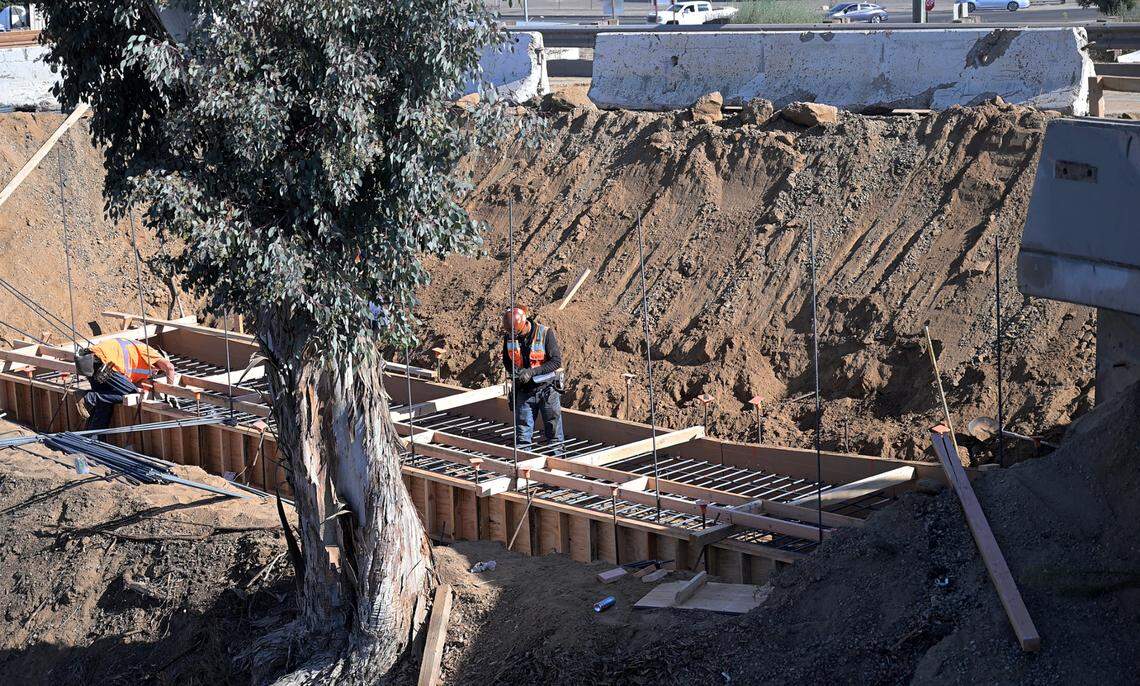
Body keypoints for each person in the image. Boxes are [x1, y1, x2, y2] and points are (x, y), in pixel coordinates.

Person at [73, 337, 177, 430]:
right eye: (160, 370)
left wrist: (144, 386)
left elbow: (126, 383)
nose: (157, 372)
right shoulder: (152, 353)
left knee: (105, 402)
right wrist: (171, 394)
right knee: (133, 394)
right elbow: (170, 367)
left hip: (88, 360)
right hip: (104, 362)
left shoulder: (138, 359)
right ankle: (88, 397)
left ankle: (92, 436)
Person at [501, 306, 564, 451]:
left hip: (547, 390)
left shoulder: (545, 333)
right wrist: (517, 372)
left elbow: (556, 362)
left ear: (524, 324)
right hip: (524, 392)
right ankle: (524, 464)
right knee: (522, 437)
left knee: (554, 435)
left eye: (517, 333)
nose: (515, 337)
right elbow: (507, 360)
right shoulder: (509, 336)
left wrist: (531, 372)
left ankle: (557, 462)